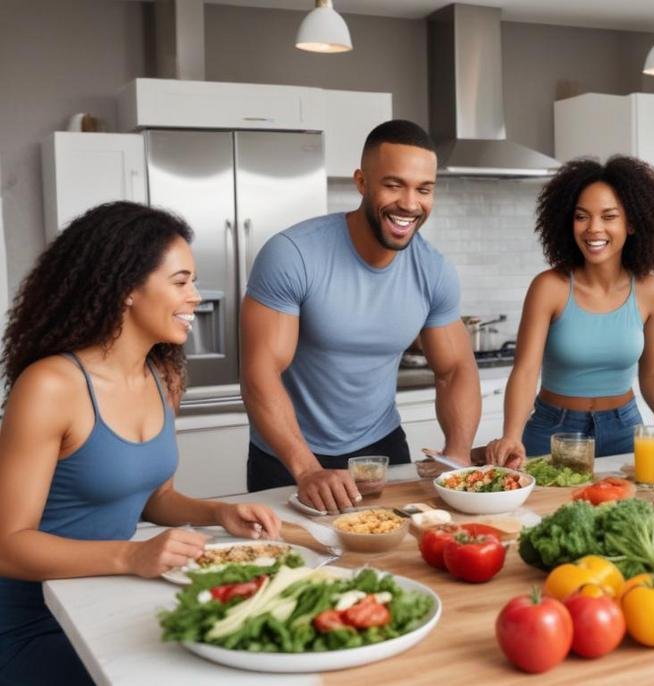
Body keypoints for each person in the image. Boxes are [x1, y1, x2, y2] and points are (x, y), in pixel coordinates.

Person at [0, 202, 280, 686]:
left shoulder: (163, 377)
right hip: (35, 621)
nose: (195, 296)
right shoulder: (50, 386)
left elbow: (154, 498)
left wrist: (217, 513)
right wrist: (131, 556)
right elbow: (8, 547)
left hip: (109, 596)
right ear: (127, 288)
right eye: (180, 281)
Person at [241, 119, 482, 513]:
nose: (409, 203)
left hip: (381, 451)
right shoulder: (293, 254)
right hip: (289, 455)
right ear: (361, 182)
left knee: (394, 555)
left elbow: (455, 369)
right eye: (394, 184)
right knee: (294, 566)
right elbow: (260, 373)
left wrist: (457, 454)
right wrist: (306, 469)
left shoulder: (434, 271)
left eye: (423, 189)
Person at [486, 156, 654, 467]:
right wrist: (511, 434)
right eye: (582, 216)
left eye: (609, 217)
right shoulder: (548, 287)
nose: (594, 228)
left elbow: (653, 371)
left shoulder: (652, 290)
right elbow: (525, 371)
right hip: (554, 431)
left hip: (625, 430)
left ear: (631, 223)